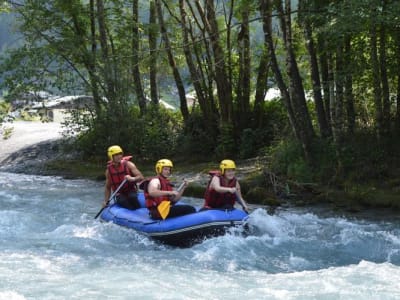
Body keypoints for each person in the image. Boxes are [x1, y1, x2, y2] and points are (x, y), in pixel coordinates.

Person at [103, 145, 144, 210]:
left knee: (132, 197)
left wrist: (132, 178)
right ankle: (131, 213)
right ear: (111, 156)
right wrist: (105, 201)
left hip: (131, 190)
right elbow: (108, 187)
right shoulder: (108, 171)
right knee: (122, 200)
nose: (119, 156)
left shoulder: (129, 164)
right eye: (116, 155)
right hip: (119, 193)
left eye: (120, 154)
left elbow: (141, 177)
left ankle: (139, 211)